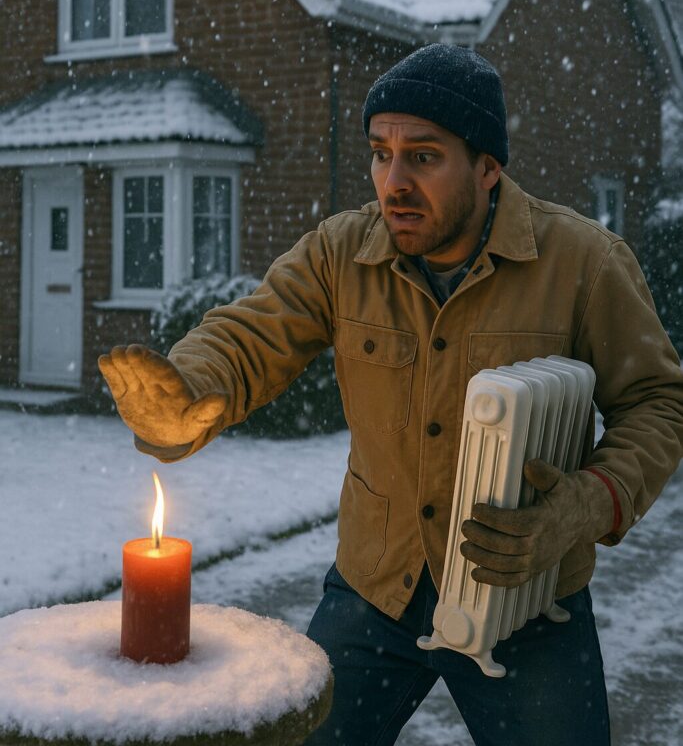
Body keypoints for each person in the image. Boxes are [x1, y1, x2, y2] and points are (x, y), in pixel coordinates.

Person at [99, 44, 683, 746]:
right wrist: (188, 387)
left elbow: (657, 402)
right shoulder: (339, 254)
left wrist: (586, 505)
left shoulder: (584, 262)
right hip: (373, 591)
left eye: (424, 157)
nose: (393, 182)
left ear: (487, 167)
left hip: (527, 601)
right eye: (381, 153)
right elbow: (249, 334)